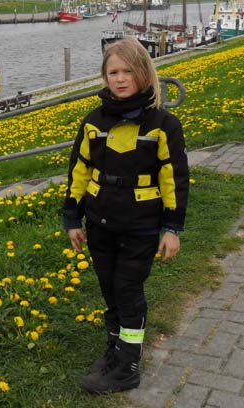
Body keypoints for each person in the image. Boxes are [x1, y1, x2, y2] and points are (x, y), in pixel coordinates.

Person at [63, 36, 189, 394]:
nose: (120, 79)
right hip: (100, 224)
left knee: (127, 291)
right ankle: (115, 350)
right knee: (109, 289)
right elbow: (79, 173)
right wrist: (72, 219)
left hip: (141, 226)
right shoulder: (93, 122)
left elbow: (174, 180)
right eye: (112, 72)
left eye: (128, 71)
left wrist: (171, 228)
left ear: (144, 74)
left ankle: (128, 365)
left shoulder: (164, 125)